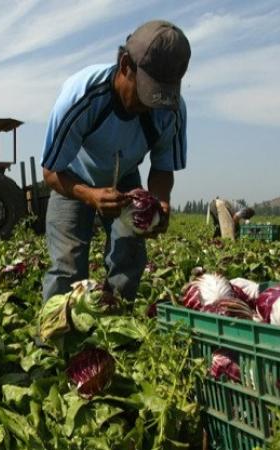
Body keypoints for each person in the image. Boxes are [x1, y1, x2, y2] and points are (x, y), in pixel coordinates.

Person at [40, 20, 190, 302]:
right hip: (72, 178)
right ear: (124, 65)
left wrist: (161, 200)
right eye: (146, 92)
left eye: (162, 95)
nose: (152, 104)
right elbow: (50, 172)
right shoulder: (81, 96)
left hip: (125, 179)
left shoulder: (171, 111)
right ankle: (57, 339)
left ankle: (116, 325)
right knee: (67, 263)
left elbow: (162, 166)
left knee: (129, 258)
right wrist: (90, 195)